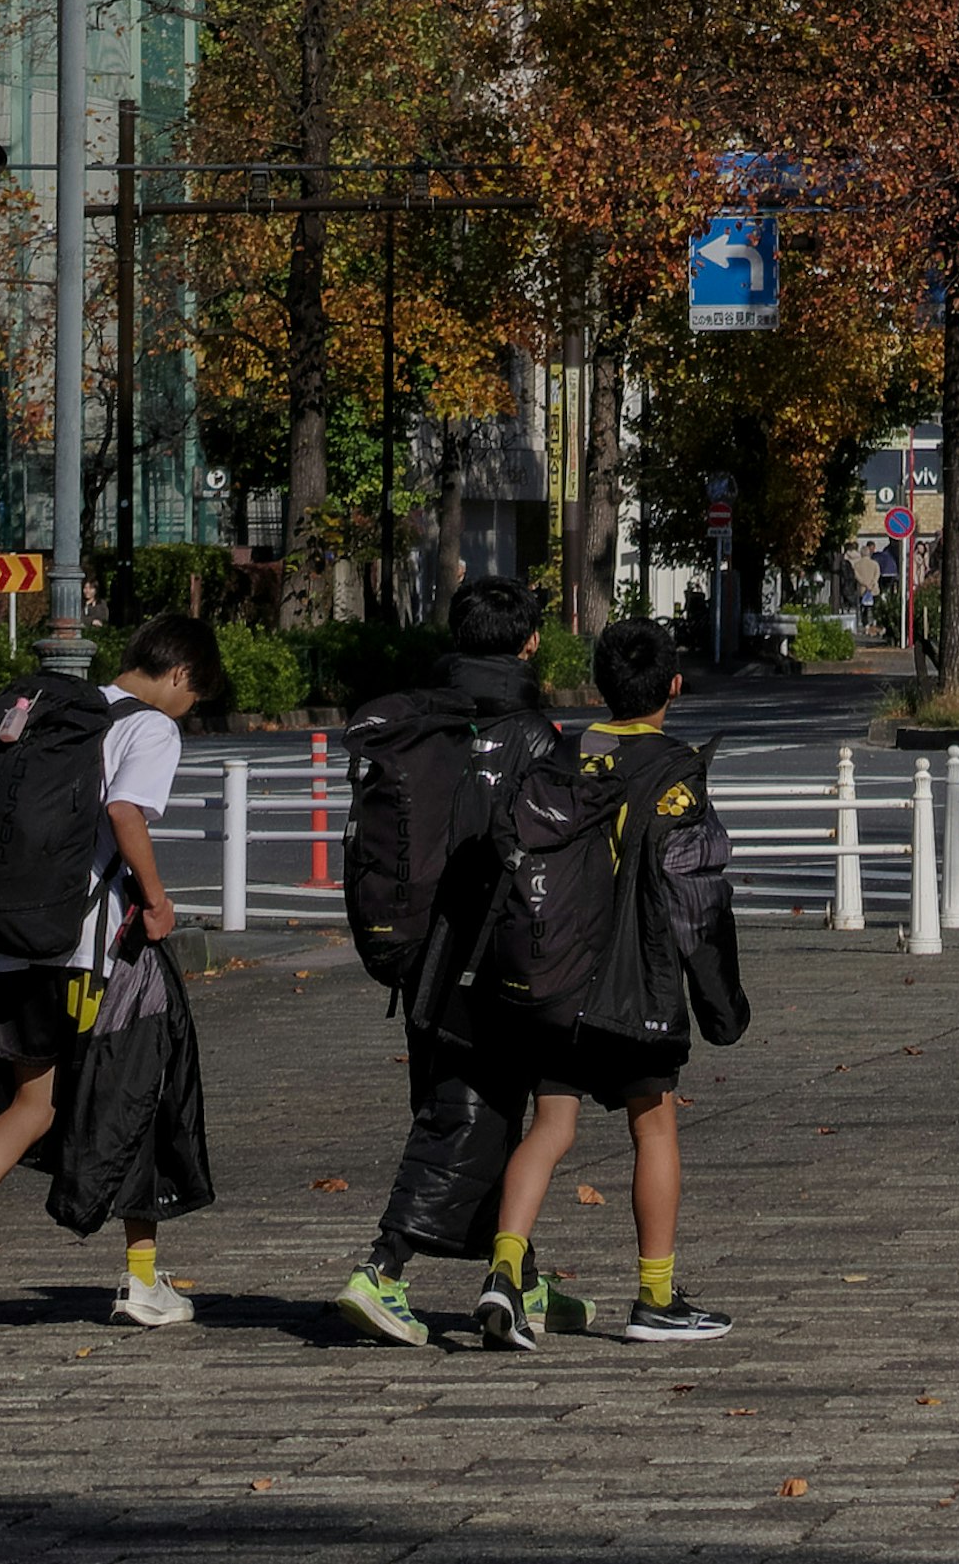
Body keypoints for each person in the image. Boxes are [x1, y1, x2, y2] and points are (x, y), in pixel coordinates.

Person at [0, 610, 225, 1338]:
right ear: (179, 675)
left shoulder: (47, 709)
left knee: (35, 1103)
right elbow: (125, 812)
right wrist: (156, 902)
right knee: (141, 1092)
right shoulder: (149, 726)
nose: (190, 709)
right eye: (196, 696)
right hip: (92, 950)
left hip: (9, 939)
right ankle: (143, 1279)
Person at [339, 575, 599, 1352]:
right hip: (496, 957)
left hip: (422, 951)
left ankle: (519, 1273)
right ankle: (382, 1268)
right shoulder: (534, 736)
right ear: (528, 643)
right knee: (468, 1118)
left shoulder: (426, 723)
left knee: (473, 1111)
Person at [472, 614, 744, 1351]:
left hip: (554, 972)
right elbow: (693, 891)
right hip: (636, 979)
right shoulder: (675, 766)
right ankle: (655, 1296)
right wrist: (721, 999)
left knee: (550, 1127)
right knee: (652, 1124)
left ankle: (505, 1273)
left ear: (599, 683)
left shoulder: (565, 751)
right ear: (674, 686)